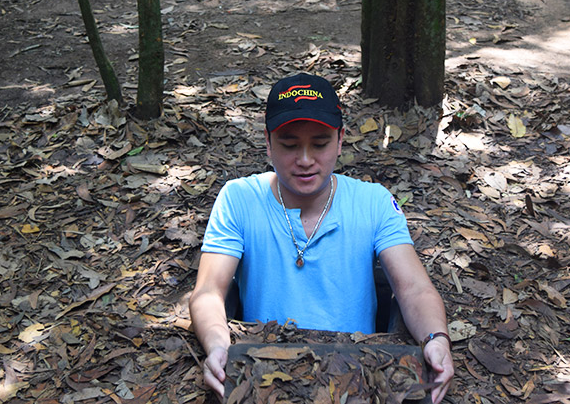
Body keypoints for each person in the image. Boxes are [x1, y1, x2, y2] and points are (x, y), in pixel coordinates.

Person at [189, 73, 454, 403]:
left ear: (340, 140)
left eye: (320, 143)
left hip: (358, 374)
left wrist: (436, 338)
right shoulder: (239, 199)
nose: (304, 159)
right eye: (288, 144)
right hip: (265, 373)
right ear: (268, 142)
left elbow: (412, 287)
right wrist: (217, 342)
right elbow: (209, 291)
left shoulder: (373, 202)